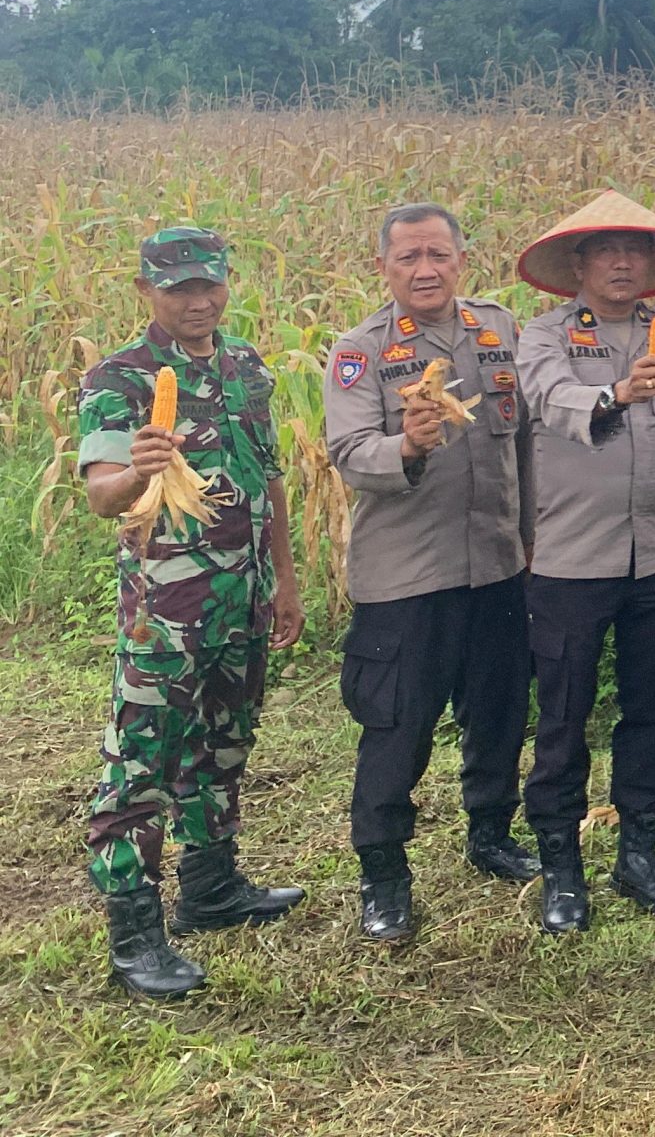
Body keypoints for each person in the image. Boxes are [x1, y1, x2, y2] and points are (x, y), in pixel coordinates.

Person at [78, 225, 306, 1000]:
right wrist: (134, 471)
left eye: (210, 285)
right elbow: (101, 494)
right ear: (147, 292)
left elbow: (267, 476)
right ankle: (135, 933)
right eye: (179, 289)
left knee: (224, 744)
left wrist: (285, 576)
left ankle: (211, 888)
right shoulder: (120, 379)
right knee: (143, 762)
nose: (199, 301)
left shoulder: (245, 365)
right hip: (166, 611)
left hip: (241, 597)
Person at [322, 203, 540, 944]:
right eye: (409, 257)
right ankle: (383, 873)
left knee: (500, 708)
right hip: (408, 578)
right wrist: (407, 447)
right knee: (398, 725)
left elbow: (525, 446)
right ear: (384, 268)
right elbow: (349, 451)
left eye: (438, 255)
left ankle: (490, 833)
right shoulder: (362, 350)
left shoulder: (498, 329)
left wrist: (533, 538)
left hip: (498, 564)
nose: (425, 270)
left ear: (461, 260)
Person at [514, 191, 655, 932]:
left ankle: (639, 853)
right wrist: (619, 391)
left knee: (651, 712)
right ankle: (562, 869)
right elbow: (549, 398)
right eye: (606, 251)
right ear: (579, 264)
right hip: (570, 559)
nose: (623, 263)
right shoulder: (546, 336)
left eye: (634, 251)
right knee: (564, 716)